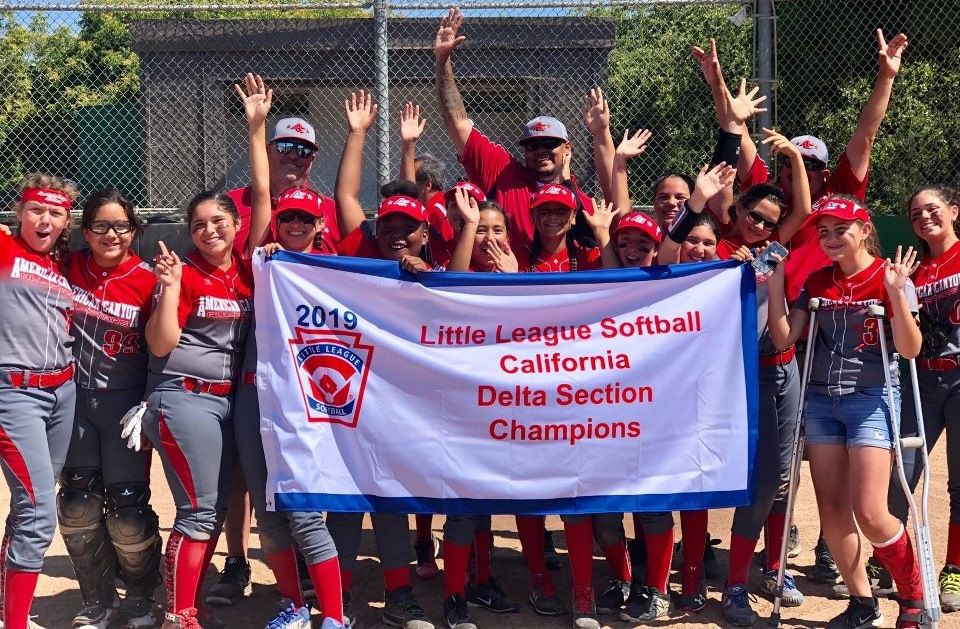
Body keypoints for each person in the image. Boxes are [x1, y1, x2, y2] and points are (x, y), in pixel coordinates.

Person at [768, 197, 925, 629]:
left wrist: (896, 292)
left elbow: (910, 349)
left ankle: (912, 594)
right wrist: (779, 280)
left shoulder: (889, 276)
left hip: (871, 397)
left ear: (864, 228)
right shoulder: (819, 280)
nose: (832, 239)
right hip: (821, 400)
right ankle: (862, 602)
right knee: (833, 509)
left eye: (842, 229)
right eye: (824, 232)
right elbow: (785, 339)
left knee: (871, 510)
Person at [229, 72, 348, 629]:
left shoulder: (325, 252)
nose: (296, 223)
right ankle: (294, 606)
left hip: (311, 394)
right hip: (257, 390)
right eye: (288, 217)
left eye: (306, 218)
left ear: (318, 222)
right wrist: (256, 126)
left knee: (304, 507)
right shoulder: (264, 251)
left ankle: (334, 615)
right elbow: (257, 196)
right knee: (269, 508)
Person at [329, 89, 435, 629]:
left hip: (402, 403)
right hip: (349, 394)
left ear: (424, 231)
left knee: (391, 495)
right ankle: (338, 594)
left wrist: (409, 149)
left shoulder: (430, 266)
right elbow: (348, 193)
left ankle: (399, 594)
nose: (396, 232)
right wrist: (358, 133)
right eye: (387, 224)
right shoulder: (361, 252)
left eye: (406, 225)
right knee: (343, 494)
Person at [140, 184, 262, 629]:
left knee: (212, 509)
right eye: (198, 226)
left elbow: (263, 196)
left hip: (225, 403)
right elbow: (160, 343)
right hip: (183, 396)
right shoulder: (184, 271)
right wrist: (170, 289)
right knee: (198, 509)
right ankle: (178, 613)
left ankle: (188, 603)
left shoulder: (246, 271)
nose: (209, 230)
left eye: (218, 221)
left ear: (236, 225)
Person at [709, 129, 813, 625]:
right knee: (764, 477)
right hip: (744, 376)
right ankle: (734, 586)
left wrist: (792, 155)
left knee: (786, 477)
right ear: (738, 212)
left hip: (783, 367)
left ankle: (774, 569)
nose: (761, 226)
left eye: (770, 222)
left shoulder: (775, 250)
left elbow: (802, 215)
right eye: (753, 215)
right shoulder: (720, 248)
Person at [59, 188, 162, 629]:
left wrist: (150, 401)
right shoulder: (67, 267)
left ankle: (140, 596)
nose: (111, 234)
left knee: (128, 512)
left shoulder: (148, 279)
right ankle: (96, 599)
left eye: (121, 225)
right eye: (100, 225)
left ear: (134, 229)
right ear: (85, 231)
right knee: (79, 504)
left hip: (124, 404)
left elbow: (164, 349)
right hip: (76, 401)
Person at [433, 7, 601, 248]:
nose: (540, 150)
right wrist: (442, 61)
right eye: (532, 145)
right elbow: (456, 123)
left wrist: (601, 135)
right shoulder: (503, 173)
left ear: (567, 148)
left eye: (549, 143)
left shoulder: (581, 200)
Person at [0, 175, 77, 629]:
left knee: (30, 503)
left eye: (55, 212)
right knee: (37, 510)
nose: (44, 219)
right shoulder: (6, 249)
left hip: (62, 392)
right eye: (35, 210)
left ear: (66, 220)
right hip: (14, 391)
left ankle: (8, 604)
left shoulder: (63, 263)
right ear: (18, 213)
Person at [887, 184, 960, 614]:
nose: (924, 218)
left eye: (932, 210)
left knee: (959, 483)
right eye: (916, 214)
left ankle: (953, 567)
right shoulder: (916, 269)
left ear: (953, 211)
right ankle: (896, 566)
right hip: (923, 384)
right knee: (901, 476)